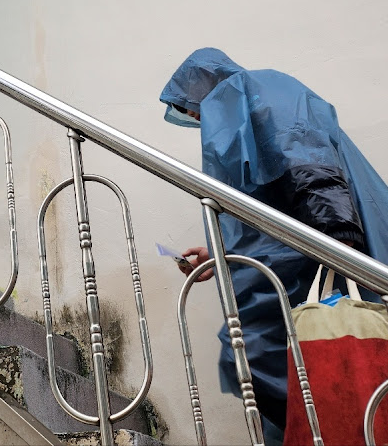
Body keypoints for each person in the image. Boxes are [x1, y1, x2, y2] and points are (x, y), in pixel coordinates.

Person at [160, 48, 388, 442]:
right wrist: (218, 255)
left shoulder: (257, 93)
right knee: (287, 363)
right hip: (306, 254)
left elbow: (308, 161)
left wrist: (341, 241)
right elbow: (267, 200)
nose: (195, 118)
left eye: (192, 108)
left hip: (327, 249)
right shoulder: (249, 104)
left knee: (267, 355)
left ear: (205, 88)